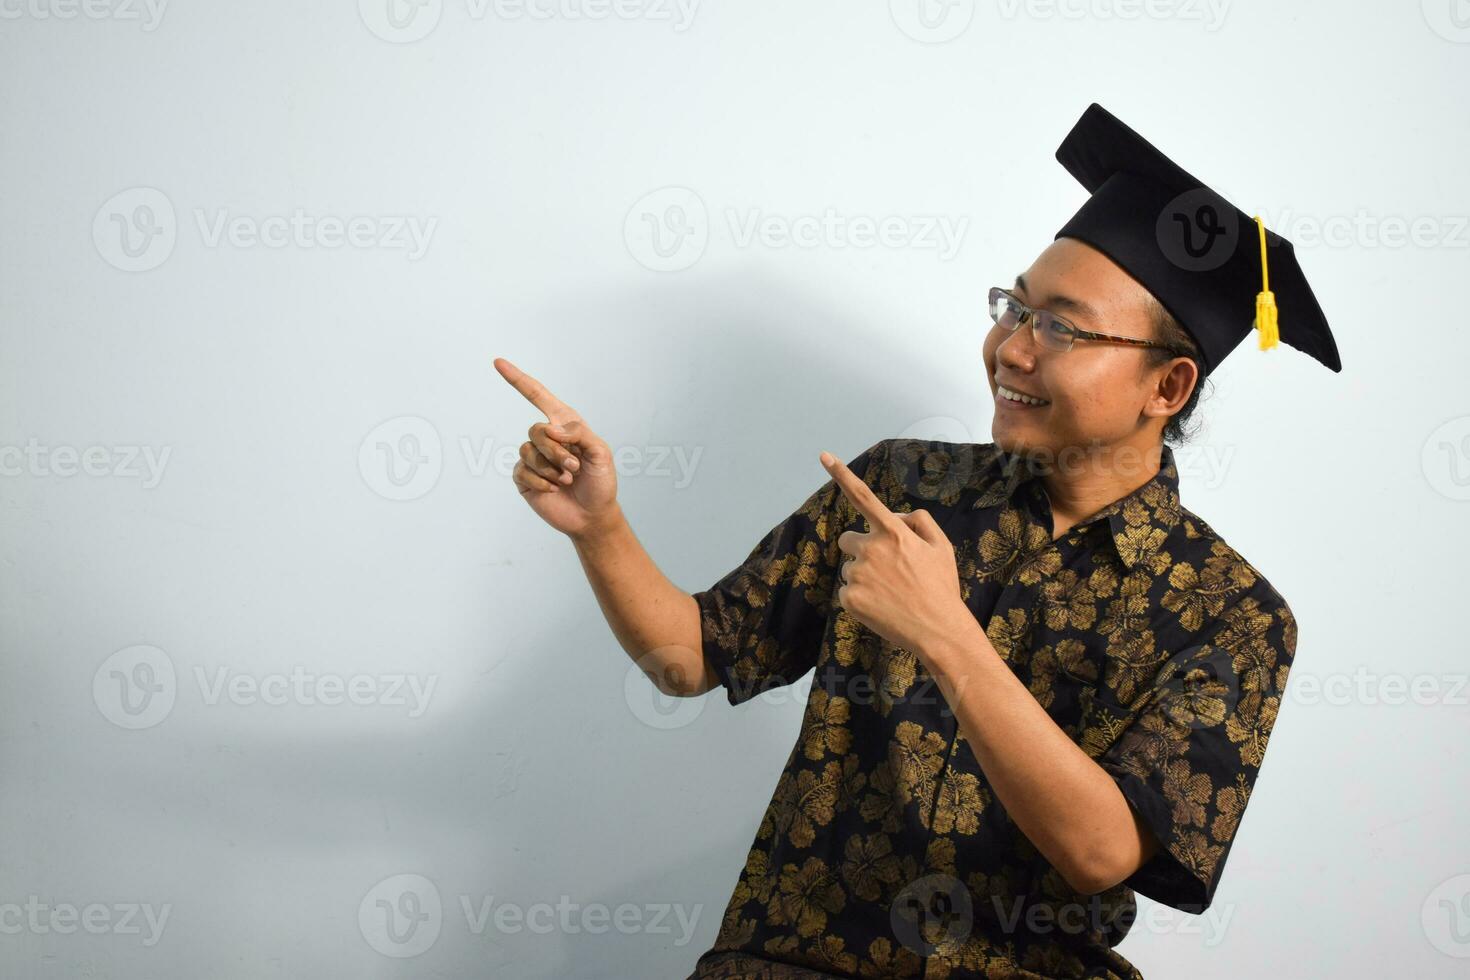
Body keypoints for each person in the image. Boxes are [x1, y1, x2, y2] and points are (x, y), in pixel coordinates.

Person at [499, 102, 1342, 979]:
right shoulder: (902, 489)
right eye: (1013, 307)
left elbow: (1102, 850)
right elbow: (691, 657)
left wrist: (944, 632)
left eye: (1061, 326)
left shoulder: (1233, 614)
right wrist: (598, 526)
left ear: (1166, 386)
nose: (1011, 348)